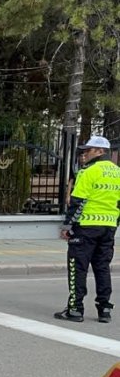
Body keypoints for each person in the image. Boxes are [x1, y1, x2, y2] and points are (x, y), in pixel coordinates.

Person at [54, 135, 119, 324]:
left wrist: (67, 226)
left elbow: (77, 202)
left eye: (88, 150)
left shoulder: (88, 171)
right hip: (108, 227)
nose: (84, 154)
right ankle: (104, 308)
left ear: (100, 151)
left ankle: (75, 309)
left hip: (86, 226)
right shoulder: (118, 172)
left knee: (77, 267)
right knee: (102, 267)